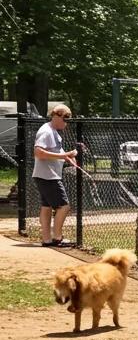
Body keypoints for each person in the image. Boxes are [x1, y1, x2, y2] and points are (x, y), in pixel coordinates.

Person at [33, 104, 78, 247]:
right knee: (63, 207)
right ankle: (57, 238)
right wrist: (64, 155)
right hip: (48, 176)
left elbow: (57, 152)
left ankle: (47, 240)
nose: (67, 122)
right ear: (56, 116)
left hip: (46, 175)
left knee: (46, 207)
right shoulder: (46, 131)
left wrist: (67, 157)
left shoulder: (54, 132)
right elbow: (39, 153)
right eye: (65, 119)